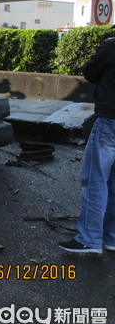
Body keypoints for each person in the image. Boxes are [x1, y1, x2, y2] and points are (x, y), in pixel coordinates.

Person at [59, 36, 115, 255]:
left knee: (95, 179)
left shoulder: (112, 45)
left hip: (110, 120)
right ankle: (111, 237)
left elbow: (90, 73)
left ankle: (89, 238)